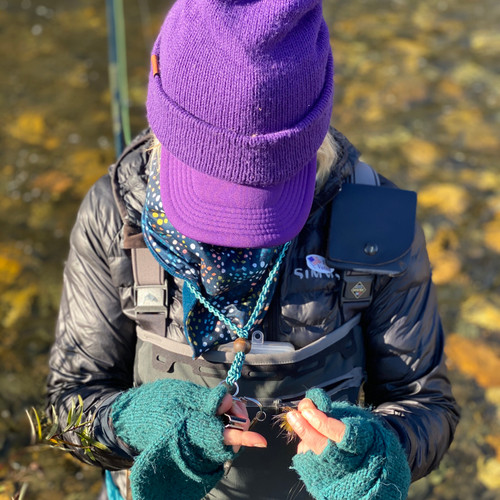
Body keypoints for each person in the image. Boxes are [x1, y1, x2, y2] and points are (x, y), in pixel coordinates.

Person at [47, 0, 460, 499]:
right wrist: (132, 422)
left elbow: (426, 403)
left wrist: (378, 452)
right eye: (208, 182)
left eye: (265, 191)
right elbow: (69, 404)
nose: (233, 231)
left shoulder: (376, 224)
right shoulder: (116, 213)